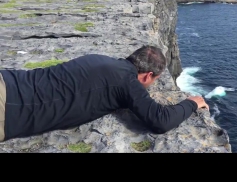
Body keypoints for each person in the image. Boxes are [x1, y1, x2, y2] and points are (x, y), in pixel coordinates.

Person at [0, 45, 209, 142]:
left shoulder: (98, 59)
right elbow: (160, 121)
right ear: (147, 75)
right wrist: (191, 102)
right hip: (6, 109)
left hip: (8, 80)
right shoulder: (127, 82)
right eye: (155, 80)